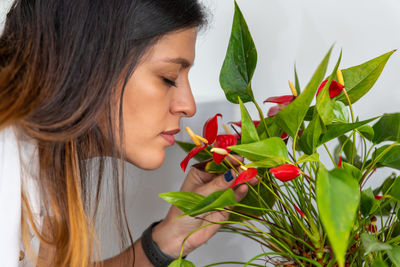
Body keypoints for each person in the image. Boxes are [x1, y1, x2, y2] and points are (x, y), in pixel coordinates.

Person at [0, 1, 257, 266]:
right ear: (89, 65)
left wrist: (168, 240)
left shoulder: (41, 170)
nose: (188, 106)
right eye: (168, 77)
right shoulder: (5, 165)